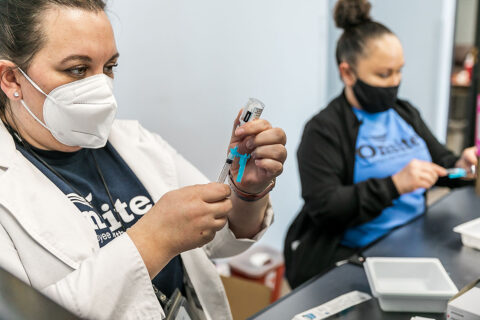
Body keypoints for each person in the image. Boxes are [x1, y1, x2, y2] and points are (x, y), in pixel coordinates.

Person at [0, 1, 287, 319]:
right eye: (78, 69)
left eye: (109, 67)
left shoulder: (134, 142)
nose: (101, 88)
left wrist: (246, 192)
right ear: (12, 79)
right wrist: (153, 239)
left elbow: (217, 242)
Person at [284, 0, 477, 289]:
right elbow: (325, 208)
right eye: (384, 75)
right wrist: (395, 185)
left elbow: (441, 161)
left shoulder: (404, 112)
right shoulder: (323, 130)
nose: (395, 82)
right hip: (356, 257)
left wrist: (461, 167)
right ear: (348, 73)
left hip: (414, 239)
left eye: (399, 71)